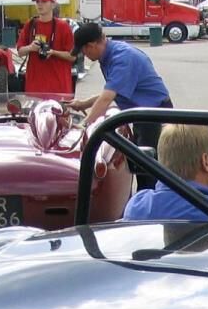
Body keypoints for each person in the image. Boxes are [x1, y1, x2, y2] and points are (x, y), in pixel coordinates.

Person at [69, 22, 173, 189]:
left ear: (92, 45)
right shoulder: (108, 55)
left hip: (155, 114)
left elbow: (107, 98)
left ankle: (149, 207)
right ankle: (143, 200)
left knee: (149, 168)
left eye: (83, 51)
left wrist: (84, 126)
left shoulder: (122, 58)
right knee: (139, 163)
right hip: (141, 113)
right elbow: (112, 91)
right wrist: (83, 103)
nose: (84, 55)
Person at [15, 0, 77, 98]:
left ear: (52, 4)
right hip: (35, 89)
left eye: (43, 1)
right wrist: (31, 48)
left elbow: (72, 56)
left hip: (59, 89)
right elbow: (20, 52)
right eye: (37, 1)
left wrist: (53, 52)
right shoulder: (30, 25)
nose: (39, 4)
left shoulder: (63, 27)